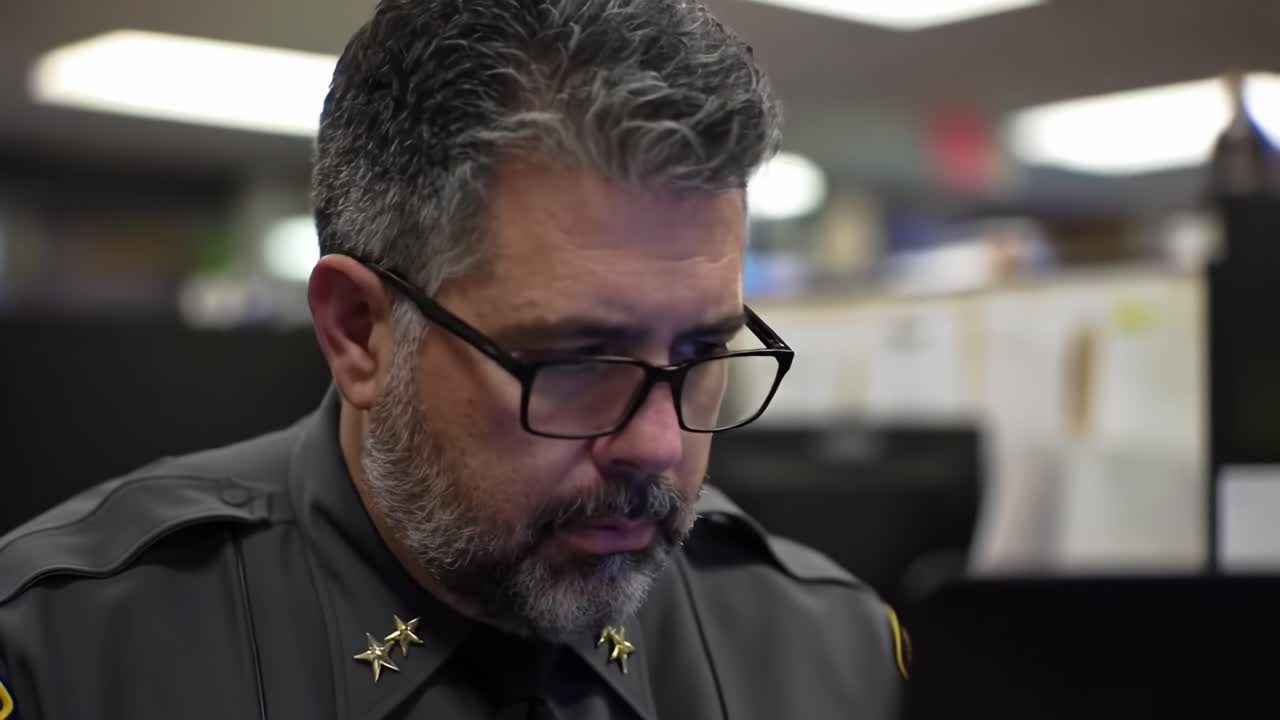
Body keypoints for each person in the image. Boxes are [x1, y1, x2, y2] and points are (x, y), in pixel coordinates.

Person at [0, 1, 905, 717]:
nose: (661, 449)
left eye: (703, 351)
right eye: (581, 359)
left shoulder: (832, 650)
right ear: (358, 330)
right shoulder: (62, 654)